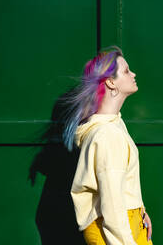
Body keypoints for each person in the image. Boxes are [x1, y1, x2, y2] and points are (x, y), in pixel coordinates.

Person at [61, 45, 153, 245]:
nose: (133, 74)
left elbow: (121, 185)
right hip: (115, 230)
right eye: (127, 71)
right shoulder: (107, 134)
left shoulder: (114, 124)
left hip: (127, 222)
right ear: (111, 82)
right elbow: (111, 203)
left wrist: (140, 210)